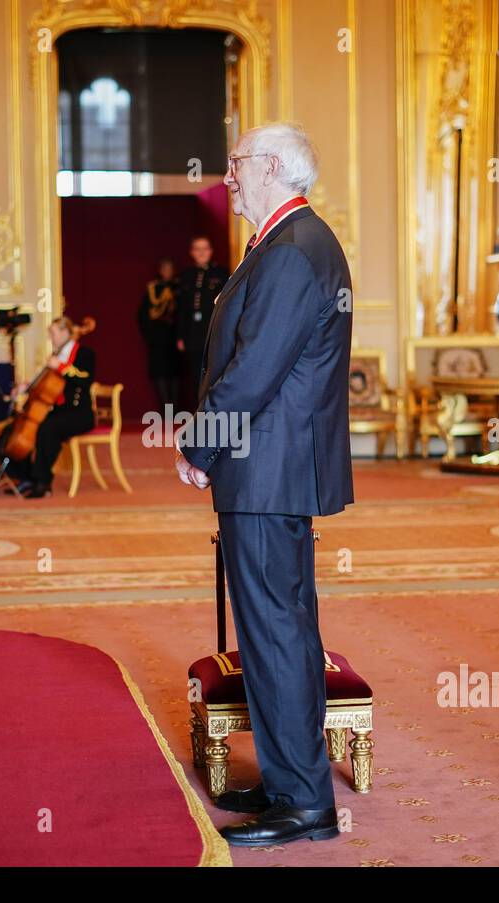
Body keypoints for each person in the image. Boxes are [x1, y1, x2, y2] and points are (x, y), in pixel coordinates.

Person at [175, 122, 353, 847]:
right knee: (284, 628)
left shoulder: (290, 252)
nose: (229, 176)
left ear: (273, 166)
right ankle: (291, 783)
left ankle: (305, 803)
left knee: (276, 633)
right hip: (274, 469)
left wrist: (201, 445)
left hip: (265, 469)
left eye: (238, 163)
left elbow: (254, 371)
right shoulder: (291, 244)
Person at [8, 316, 97, 498]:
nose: (51, 338)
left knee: (48, 429)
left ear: (65, 332)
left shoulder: (85, 353)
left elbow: (85, 380)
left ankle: (43, 482)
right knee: (21, 426)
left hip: (80, 413)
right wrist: (28, 386)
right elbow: (46, 387)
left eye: (53, 334)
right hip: (60, 411)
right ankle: (26, 477)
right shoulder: (56, 355)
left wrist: (62, 367)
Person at [174, 236, 229, 412]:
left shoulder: (220, 274)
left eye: (205, 249)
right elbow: (181, 309)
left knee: (214, 373)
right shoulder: (185, 276)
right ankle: (198, 412)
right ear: (192, 253)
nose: (202, 252)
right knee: (195, 375)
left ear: (211, 251)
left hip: (213, 332)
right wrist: (180, 336)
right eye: (198, 249)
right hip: (192, 334)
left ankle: (213, 411)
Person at [135, 258, 180, 411]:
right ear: (160, 270)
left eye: (170, 268)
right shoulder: (153, 288)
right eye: (165, 268)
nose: (168, 272)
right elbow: (143, 315)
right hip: (157, 337)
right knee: (160, 371)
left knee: (175, 372)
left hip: (175, 336)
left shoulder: (179, 286)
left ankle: (175, 408)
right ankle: (166, 408)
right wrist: (150, 335)